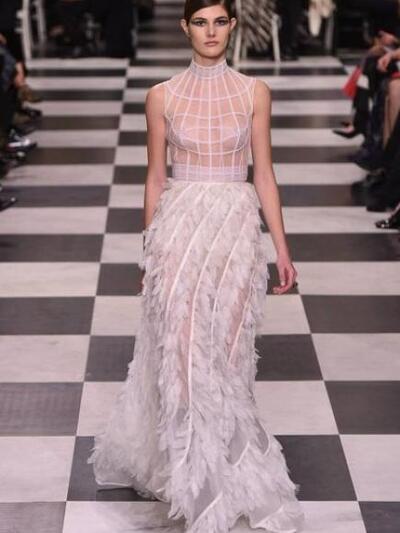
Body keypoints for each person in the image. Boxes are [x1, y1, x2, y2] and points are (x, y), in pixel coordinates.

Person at [87, 1, 305, 531]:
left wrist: (281, 247)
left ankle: (230, 469)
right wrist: (149, 250)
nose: (211, 32)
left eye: (220, 22)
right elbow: (155, 178)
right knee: (183, 358)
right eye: (201, 23)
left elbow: (264, 174)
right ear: (185, 28)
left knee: (228, 359)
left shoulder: (254, 92)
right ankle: (196, 483)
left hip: (234, 231)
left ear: (232, 26)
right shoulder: (161, 96)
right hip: (179, 230)